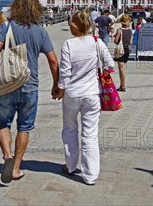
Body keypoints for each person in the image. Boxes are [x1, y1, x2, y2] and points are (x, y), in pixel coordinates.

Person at [0, 0, 60, 183]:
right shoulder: (41, 31)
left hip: (6, 85)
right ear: (36, 9)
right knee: (24, 127)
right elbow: (53, 60)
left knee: (2, 124)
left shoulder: (6, 27)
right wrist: (56, 84)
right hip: (29, 85)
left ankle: (7, 157)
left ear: (16, 8)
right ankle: (16, 168)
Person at [57, 9, 113, 186]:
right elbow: (110, 64)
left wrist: (59, 89)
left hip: (73, 93)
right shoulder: (97, 42)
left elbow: (65, 73)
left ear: (75, 25)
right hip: (92, 94)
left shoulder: (68, 44)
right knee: (90, 134)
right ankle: (90, 175)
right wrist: (98, 71)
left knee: (70, 129)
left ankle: (71, 165)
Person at [113, 16, 133, 92]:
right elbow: (131, 42)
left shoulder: (119, 30)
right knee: (123, 67)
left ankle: (123, 86)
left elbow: (115, 41)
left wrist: (116, 37)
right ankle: (122, 85)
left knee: (121, 69)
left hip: (121, 50)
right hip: (127, 50)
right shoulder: (130, 31)